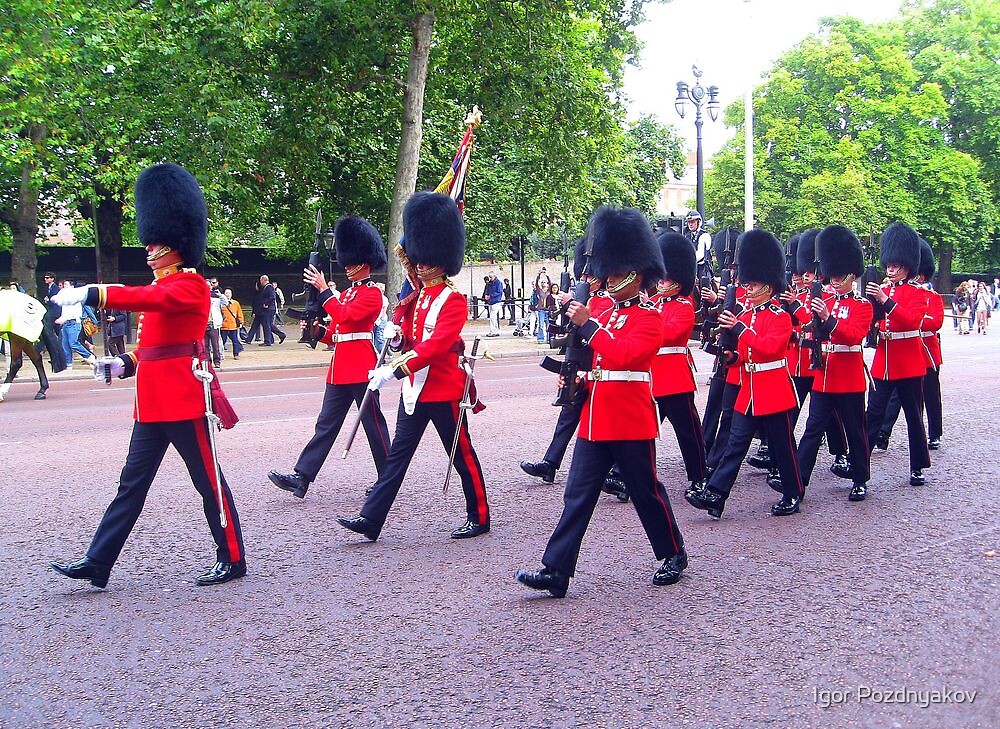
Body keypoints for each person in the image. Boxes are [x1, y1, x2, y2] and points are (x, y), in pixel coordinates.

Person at [49, 162, 245, 589]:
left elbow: (142, 299)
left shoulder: (190, 285)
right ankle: (98, 563)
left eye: (156, 245)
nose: (150, 250)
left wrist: (92, 292)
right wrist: (125, 364)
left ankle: (232, 556)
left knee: (208, 481)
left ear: (176, 246)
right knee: (130, 486)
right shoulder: (163, 286)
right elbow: (154, 346)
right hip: (152, 403)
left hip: (184, 399)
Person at [516, 206, 687, 598]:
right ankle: (556, 570)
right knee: (577, 493)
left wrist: (589, 326)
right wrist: (573, 372)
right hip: (596, 416)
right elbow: (598, 358)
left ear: (636, 274)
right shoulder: (607, 312)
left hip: (630, 418)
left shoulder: (650, 317)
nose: (609, 279)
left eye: (616, 272)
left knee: (646, 491)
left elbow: (626, 356)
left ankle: (673, 552)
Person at [337, 191, 490, 541]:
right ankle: (371, 519)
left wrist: (395, 369)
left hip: (443, 387)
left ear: (442, 259)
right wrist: (393, 339)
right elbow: (410, 339)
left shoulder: (454, 300)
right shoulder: (417, 297)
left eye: (426, 259)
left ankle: (479, 515)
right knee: (396, 458)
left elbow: (436, 347)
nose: (419, 264)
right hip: (415, 391)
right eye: (418, 259)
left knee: (461, 454)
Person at [268, 216, 392, 500]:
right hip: (340, 369)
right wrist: (314, 330)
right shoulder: (346, 294)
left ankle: (388, 479)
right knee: (325, 425)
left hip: (362, 368)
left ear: (365, 262)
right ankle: (302, 477)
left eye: (352, 262)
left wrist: (324, 291)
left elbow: (347, 317)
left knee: (373, 425)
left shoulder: (372, 295)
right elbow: (334, 333)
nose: (347, 267)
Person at [685, 229, 805, 519]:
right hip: (750, 389)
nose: (747, 290)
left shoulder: (780, 317)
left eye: (752, 286)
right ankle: (716, 494)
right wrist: (732, 357)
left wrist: (739, 330)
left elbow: (770, 348)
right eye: (747, 285)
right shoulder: (748, 315)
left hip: (774, 389)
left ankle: (793, 492)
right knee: (736, 443)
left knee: (783, 447)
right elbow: (747, 354)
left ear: (767, 286)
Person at [520, 238, 614, 484]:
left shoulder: (607, 300)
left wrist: (576, 307)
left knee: (606, 420)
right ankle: (550, 463)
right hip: (580, 362)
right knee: (568, 411)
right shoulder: (587, 296)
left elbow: (598, 329)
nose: (586, 279)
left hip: (599, 363)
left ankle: (619, 475)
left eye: (590, 276)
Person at [794, 225, 873, 501]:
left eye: (841, 276)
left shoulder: (863, 305)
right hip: (823, 376)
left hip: (848, 378)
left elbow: (853, 336)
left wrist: (827, 319)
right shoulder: (823, 297)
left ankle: (860, 478)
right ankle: (797, 483)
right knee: (812, 429)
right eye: (834, 275)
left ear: (852, 275)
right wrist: (796, 307)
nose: (835, 280)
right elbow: (806, 323)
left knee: (855, 430)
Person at [863, 222, 932, 487]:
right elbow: (874, 320)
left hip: (909, 363)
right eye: (888, 265)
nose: (890, 269)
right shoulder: (883, 288)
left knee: (914, 417)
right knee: (873, 415)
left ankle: (918, 466)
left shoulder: (916, 292)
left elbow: (911, 320)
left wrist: (885, 300)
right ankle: (860, 465)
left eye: (895, 266)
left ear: (907, 266)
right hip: (885, 360)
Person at [650, 232, 707, 493]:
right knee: (643, 431)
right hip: (651, 378)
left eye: (666, 279)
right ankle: (624, 475)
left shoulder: (683, 306)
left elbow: (669, 334)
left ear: (677, 281)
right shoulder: (652, 303)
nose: (661, 283)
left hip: (674, 379)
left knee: (688, 433)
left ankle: (698, 476)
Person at [54, 280, 97, 367]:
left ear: (72, 287)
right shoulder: (65, 298)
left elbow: (73, 312)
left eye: (66, 284)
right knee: (65, 345)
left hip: (73, 322)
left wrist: (94, 321)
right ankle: (68, 363)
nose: (64, 286)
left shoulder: (75, 298)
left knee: (73, 343)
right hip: (66, 324)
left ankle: (89, 355)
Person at [204, 276, 227, 368]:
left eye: (209, 286)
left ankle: (217, 361)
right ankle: (208, 362)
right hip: (204, 323)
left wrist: (220, 295)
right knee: (205, 345)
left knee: (215, 344)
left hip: (213, 323)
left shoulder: (215, 297)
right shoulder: (200, 296)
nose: (208, 287)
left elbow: (225, 303)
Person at [684, 210, 713, 280]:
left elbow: (700, 255)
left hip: (703, 269)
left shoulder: (704, 235)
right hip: (691, 268)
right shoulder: (687, 236)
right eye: (689, 222)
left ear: (698, 222)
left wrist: (686, 261)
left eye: (693, 222)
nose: (690, 224)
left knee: (704, 285)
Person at [219, 288, 244, 360]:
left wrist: (241, 321)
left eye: (229, 293)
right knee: (222, 341)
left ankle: (236, 353)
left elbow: (239, 313)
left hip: (233, 325)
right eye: (226, 293)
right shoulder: (221, 303)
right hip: (223, 326)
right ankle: (220, 354)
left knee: (235, 340)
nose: (227, 295)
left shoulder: (235, 303)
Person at [484, 271, 503, 337]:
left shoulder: (498, 283)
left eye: (491, 277)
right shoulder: (490, 283)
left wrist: (490, 296)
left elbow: (499, 292)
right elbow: (487, 290)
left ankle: (493, 331)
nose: (490, 278)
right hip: (491, 301)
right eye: (489, 277)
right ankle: (496, 330)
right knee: (493, 317)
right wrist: (486, 295)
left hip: (496, 302)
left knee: (492, 317)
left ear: (494, 276)